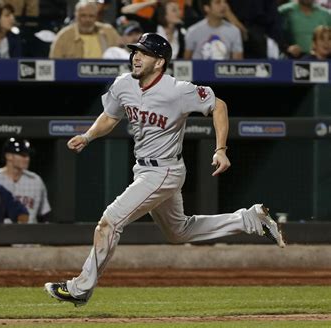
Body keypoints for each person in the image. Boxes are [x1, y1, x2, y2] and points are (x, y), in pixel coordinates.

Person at [44, 33, 285, 307]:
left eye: (143, 53)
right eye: (135, 51)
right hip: (144, 170)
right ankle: (248, 220)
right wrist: (88, 136)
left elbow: (219, 106)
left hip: (165, 172)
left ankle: (80, 288)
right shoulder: (124, 84)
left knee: (109, 222)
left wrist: (220, 149)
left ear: (159, 62)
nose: (136, 56)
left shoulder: (177, 90)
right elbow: (110, 116)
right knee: (178, 232)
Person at [0, 138, 51, 224]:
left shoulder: (36, 180)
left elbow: (44, 215)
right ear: (8, 156)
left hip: (30, 234)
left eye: (28, 155)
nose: (27, 159)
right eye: (23, 155)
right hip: (1, 234)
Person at [49, 0, 120, 59]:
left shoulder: (109, 32)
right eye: (83, 15)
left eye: (91, 16)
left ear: (96, 17)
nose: (87, 20)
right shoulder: (64, 36)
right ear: (76, 16)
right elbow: (54, 61)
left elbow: (122, 56)